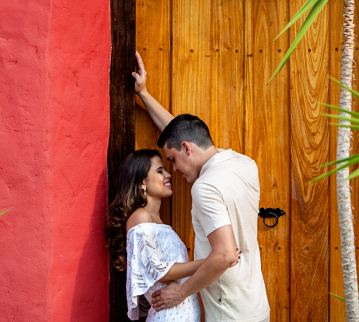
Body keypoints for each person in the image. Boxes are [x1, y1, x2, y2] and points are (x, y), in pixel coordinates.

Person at [132, 51, 270, 322]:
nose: (174, 169)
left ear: (186, 148)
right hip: (255, 306)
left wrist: (181, 293)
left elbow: (225, 255)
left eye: (172, 160)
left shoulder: (205, 187)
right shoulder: (245, 164)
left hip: (229, 313)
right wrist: (144, 94)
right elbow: (184, 136)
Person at [107, 149, 207, 321]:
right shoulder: (140, 218)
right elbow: (159, 272)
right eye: (160, 171)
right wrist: (211, 262)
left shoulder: (157, 222)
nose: (168, 174)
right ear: (142, 182)